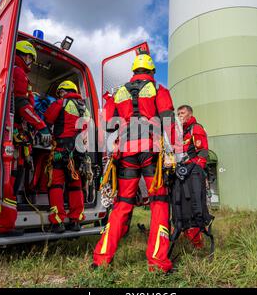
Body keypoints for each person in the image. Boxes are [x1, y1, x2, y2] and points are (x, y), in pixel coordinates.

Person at [92, 54, 176, 273]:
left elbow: (109, 125)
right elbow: (168, 121)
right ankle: (158, 262)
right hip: (150, 151)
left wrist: (110, 101)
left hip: (126, 153)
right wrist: (175, 151)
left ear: (134, 71)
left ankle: (101, 259)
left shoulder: (119, 93)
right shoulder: (158, 89)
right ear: (151, 71)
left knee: (122, 204)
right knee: (159, 202)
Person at [0, 40, 52, 238]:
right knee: (13, 177)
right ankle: (4, 225)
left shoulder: (17, 72)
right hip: (16, 133)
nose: (31, 62)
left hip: (19, 133)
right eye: (30, 58)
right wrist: (41, 126)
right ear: (23, 55)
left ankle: (6, 221)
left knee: (16, 177)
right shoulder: (18, 72)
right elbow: (22, 105)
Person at [44, 80, 89, 233]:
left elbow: (48, 118)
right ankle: (75, 221)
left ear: (64, 91)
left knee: (56, 184)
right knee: (75, 186)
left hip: (61, 151)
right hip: (78, 153)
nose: (60, 95)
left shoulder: (61, 103)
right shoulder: (85, 108)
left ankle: (58, 222)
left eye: (60, 92)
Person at [175, 105, 211, 249]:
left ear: (190, 114)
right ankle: (185, 232)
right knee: (181, 204)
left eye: (182, 113)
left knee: (196, 204)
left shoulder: (195, 128)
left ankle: (198, 239)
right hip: (181, 173)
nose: (179, 116)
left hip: (193, 172)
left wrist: (197, 172)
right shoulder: (179, 133)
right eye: (178, 113)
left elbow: (203, 153)